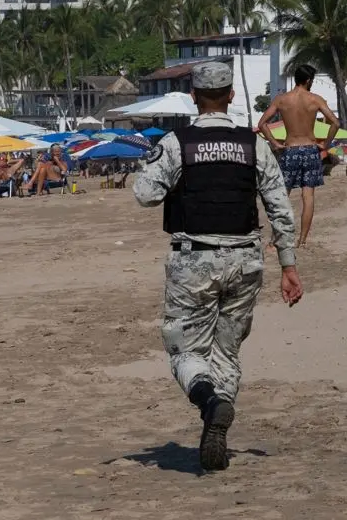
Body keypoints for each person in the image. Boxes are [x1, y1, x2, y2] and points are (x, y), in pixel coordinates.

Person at [133, 62, 302, 472]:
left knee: (185, 348)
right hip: (246, 258)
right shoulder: (253, 144)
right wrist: (289, 265)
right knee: (227, 351)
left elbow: (145, 195)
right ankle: (219, 418)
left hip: (195, 258)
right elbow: (279, 206)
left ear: (194, 96)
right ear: (230, 96)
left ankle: (209, 402)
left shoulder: (178, 143)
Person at [258, 63, 339, 247]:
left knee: (282, 196)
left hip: (290, 150)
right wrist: (325, 144)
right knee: (308, 196)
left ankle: (276, 239)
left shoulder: (282, 100)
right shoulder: (315, 99)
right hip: (310, 150)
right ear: (308, 80)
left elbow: (262, 123)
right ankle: (302, 241)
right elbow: (335, 122)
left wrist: (275, 143)